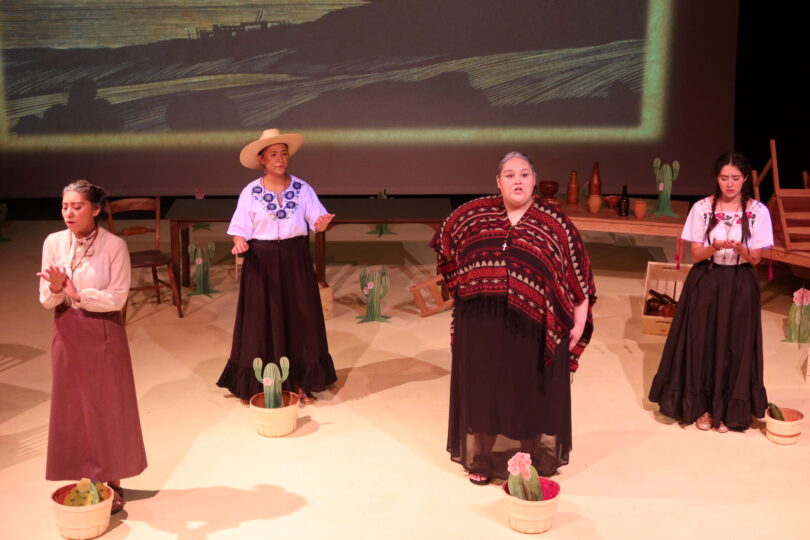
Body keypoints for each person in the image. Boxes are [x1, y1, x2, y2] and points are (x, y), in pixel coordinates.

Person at [431, 152, 596, 484]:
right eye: (509, 175)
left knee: (527, 390)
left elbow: (578, 275)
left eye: (524, 174)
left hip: (532, 328)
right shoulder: (473, 215)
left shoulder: (555, 223)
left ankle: (528, 457)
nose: (517, 180)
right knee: (483, 389)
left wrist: (578, 322)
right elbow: (444, 244)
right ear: (498, 182)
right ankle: (481, 457)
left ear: (534, 180)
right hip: (480, 325)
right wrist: (460, 284)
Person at [37, 179, 147, 513]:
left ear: (95, 209)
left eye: (77, 206)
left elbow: (117, 297)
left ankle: (112, 479)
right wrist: (57, 290)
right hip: (67, 330)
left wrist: (77, 292)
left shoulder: (114, 245)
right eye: (64, 205)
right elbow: (45, 299)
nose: (68, 212)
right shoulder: (54, 242)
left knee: (108, 407)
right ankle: (85, 476)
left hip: (103, 332)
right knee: (74, 408)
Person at [649, 151, 774, 432]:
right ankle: (702, 408)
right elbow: (696, 253)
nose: (729, 184)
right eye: (724, 178)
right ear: (716, 179)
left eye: (736, 178)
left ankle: (730, 410)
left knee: (736, 344)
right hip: (707, 280)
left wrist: (742, 249)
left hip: (740, 283)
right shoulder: (702, 208)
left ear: (744, 180)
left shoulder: (757, 211)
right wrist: (715, 247)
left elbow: (757, 259)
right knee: (701, 342)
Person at [216, 129, 337, 404]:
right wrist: (239, 243)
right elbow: (239, 229)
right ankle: (262, 382)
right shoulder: (251, 192)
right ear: (262, 159)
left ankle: (301, 380)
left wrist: (322, 224)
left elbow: (317, 219)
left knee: (300, 316)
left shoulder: (302, 188)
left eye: (284, 153)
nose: (280, 159)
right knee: (261, 319)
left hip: (295, 259)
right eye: (273, 154)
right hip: (262, 259)